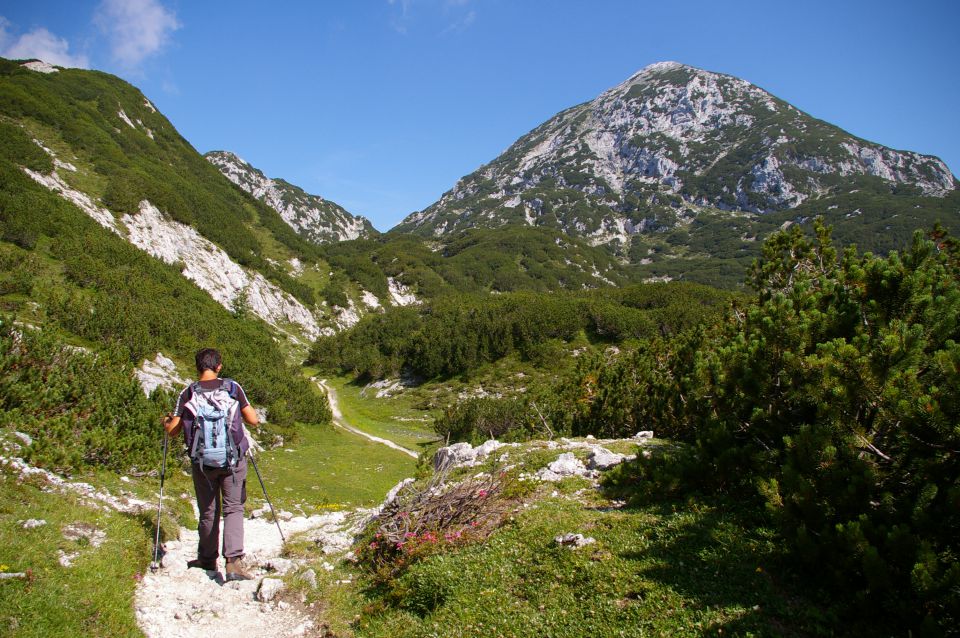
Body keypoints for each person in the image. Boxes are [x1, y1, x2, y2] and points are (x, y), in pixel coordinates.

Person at [163, 348, 259, 580]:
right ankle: (233, 564)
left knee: (208, 509)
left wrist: (166, 421)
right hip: (232, 459)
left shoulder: (188, 393)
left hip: (203, 463)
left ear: (197, 367)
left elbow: (173, 431)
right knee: (233, 507)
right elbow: (253, 420)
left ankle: (207, 560)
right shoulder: (232, 388)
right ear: (219, 367)